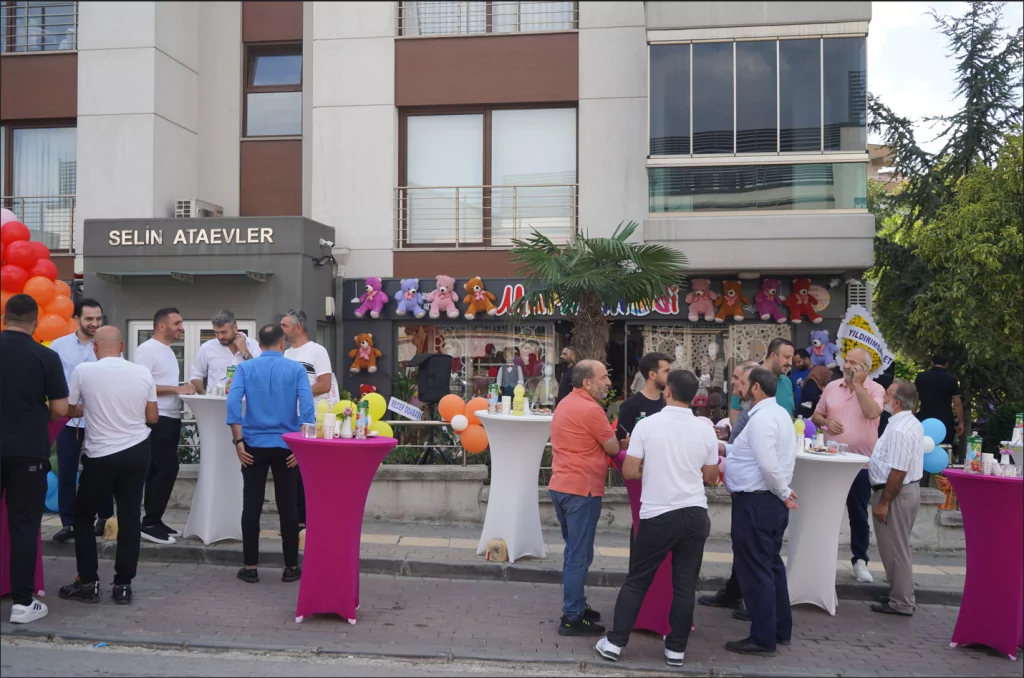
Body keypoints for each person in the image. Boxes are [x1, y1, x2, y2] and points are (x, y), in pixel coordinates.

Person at [595, 371, 719, 667]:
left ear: (668, 393)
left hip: (657, 515)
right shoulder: (705, 430)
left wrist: (652, 470)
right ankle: (676, 649)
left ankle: (615, 643)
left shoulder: (647, 426)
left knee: (637, 581)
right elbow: (712, 477)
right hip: (695, 514)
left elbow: (629, 470)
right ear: (693, 397)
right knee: (685, 585)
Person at [58, 326, 158, 606]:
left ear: (95, 348)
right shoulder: (142, 373)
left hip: (100, 455)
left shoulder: (84, 371)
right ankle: (123, 585)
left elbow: (70, 408)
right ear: (123, 346)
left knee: (83, 516)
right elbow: (153, 417)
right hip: (137, 450)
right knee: (129, 518)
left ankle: (88, 582)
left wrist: (91, 407)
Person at [227, 324, 314, 584]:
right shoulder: (296, 369)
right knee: (287, 506)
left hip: (253, 444)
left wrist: (238, 442)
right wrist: (302, 446)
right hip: (288, 445)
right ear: (281, 344)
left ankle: (251, 566)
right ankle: (290, 567)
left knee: (251, 504)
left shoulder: (244, 368)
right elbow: (307, 408)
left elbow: (233, 403)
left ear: (260, 345)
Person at [1, 295, 69, 624]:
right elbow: (59, 409)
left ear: (4, 317)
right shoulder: (45, 356)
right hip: (27, 449)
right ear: (36, 322)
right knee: (24, 524)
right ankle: (23, 603)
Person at [723, 367, 798, 657]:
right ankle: (779, 628)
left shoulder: (761, 419)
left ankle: (763, 637)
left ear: (756, 387)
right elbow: (752, 457)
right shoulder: (777, 415)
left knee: (755, 570)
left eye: (743, 384)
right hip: (767, 500)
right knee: (770, 565)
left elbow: (768, 465)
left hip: (757, 502)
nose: (737, 388)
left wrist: (782, 492)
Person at [549, 360, 620, 636]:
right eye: (604, 377)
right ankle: (572, 616)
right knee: (578, 555)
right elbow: (612, 447)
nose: (609, 383)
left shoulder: (566, 403)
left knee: (575, 552)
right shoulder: (591, 409)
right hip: (582, 489)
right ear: (587, 383)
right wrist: (613, 439)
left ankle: (576, 604)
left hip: (562, 486)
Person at [811, 347, 885, 584]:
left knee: (858, 514)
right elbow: (816, 416)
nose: (847, 366)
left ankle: (860, 561)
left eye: (854, 363)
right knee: (824, 512)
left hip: (859, 465)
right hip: (830, 461)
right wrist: (826, 423)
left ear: (865, 368)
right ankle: (819, 558)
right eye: (846, 361)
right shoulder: (832, 387)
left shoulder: (876, 389)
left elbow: (873, 413)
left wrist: (859, 386)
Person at [49, 298, 114, 542]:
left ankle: (105, 519)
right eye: (89, 319)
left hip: (101, 420)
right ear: (76, 319)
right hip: (68, 421)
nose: (95, 323)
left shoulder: (108, 345)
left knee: (102, 471)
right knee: (66, 471)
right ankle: (69, 523)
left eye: (98, 319)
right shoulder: (59, 346)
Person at [697, 360, 758, 617]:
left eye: (738, 380)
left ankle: (754, 603)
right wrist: (726, 441)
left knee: (752, 549)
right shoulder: (747, 411)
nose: (733, 384)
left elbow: (763, 457)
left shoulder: (760, 415)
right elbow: (744, 445)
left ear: (752, 385)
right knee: (742, 545)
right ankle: (735, 592)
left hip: (754, 492)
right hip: (743, 491)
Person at [134, 307, 195, 545]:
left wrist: (180, 389)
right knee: (167, 468)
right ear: (161, 326)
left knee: (159, 471)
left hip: (171, 416)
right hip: (156, 418)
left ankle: (154, 520)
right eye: (177, 323)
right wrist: (177, 389)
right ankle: (149, 523)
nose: (181, 327)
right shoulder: (147, 350)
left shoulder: (167, 350)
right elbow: (142, 384)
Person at [869, 380, 925, 617]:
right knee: (893, 547)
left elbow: (898, 471)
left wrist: (884, 502)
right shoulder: (909, 423)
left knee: (895, 548)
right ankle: (898, 592)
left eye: (888, 394)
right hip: (902, 493)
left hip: (896, 494)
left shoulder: (901, 429)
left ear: (898, 402)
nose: (884, 397)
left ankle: (901, 601)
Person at [280, 309, 332, 531]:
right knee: (290, 471)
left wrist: (299, 393)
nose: (280, 329)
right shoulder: (285, 354)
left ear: (298, 327)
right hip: (287, 419)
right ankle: (296, 520)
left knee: (306, 471)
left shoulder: (317, 351)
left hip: (310, 419)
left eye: (284, 325)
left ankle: (308, 520)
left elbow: (325, 384)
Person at [914, 354, 963, 486]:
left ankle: (921, 483)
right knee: (945, 450)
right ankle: (943, 486)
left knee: (921, 451)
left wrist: (911, 417)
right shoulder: (951, 379)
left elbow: (915, 399)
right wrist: (961, 421)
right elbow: (957, 403)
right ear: (946, 365)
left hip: (924, 418)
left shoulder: (921, 377)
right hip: (944, 420)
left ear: (931, 363)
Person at [189, 310, 261, 394]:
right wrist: (204, 394)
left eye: (224, 332)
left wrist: (244, 351)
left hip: (246, 403)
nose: (220, 336)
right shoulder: (207, 348)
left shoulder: (253, 345)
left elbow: (259, 372)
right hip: (216, 404)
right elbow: (196, 376)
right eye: (216, 332)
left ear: (235, 328)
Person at [615, 352, 672, 443]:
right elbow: (623, 442)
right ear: (652, 375)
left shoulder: (669, 403)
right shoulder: (630, 405)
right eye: (666, 371)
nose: (670, 375)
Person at [764, 339, 796, 417]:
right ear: (773, 356)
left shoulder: (787, 382)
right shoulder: (750, 379)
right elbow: (736, 419)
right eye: (787, 357)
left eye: (791, 358)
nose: (790, 363)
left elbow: (790, 413)